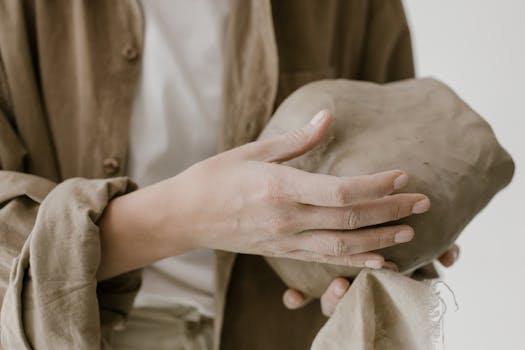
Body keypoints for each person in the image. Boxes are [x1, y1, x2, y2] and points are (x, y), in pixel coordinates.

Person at [0, 0, 459, 349]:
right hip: (84, 333)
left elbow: (394, 145)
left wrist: (380, 253)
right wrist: (191, 216)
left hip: (288, 335)